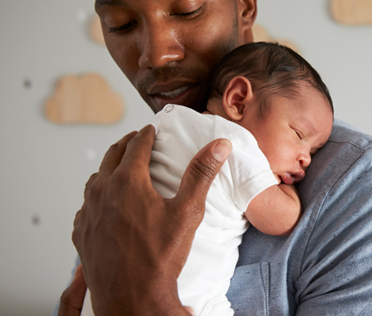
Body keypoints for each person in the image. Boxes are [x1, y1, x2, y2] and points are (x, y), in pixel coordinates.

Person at [58, 0, 372, 315]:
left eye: (187, 9)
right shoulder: (124, 179)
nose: (156, 55)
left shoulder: (360, 187)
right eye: (121, 24)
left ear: (243, 7)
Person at [79, 42, 333, 316]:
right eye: (298, 134)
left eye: (313, 151)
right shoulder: (236, 143)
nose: (306, 158)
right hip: (188, 295)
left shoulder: (167, 124)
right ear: (237, 101)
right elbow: (281, 220)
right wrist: (286, 188)